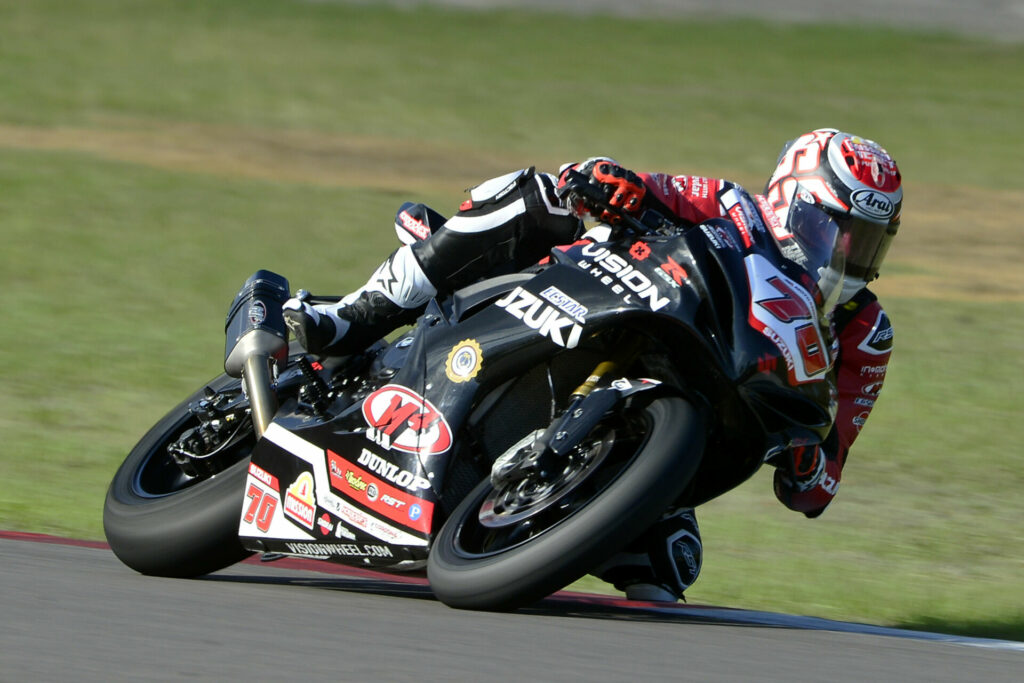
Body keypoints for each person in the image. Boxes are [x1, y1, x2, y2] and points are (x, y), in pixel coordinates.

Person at [283, 128, 902, 602]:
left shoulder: (864, 333)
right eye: (836, 231)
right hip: (572, 306)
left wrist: (802, 457)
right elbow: (625, 182)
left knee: (670, 568)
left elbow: (822, 482)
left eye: (868, 243)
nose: (847, 258)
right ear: (792, 202)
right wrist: (608, 182)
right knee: (540, 198)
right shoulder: (733, 208)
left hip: (671, 428)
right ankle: (352, 315)